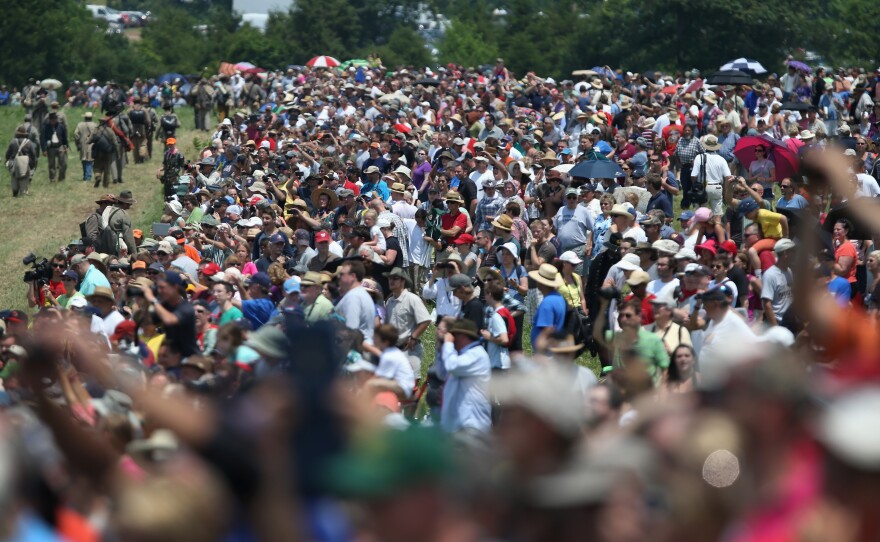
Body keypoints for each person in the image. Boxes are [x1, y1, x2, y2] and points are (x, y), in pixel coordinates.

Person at [434, 318, 492, 434]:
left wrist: (449, 344)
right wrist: (440, 347)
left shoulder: (477, 355)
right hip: (456, 427)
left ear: (462, 336)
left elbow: (452, 366)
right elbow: (441, 374)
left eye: (453, 335)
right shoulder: (458, 355)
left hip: (472, 426)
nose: (451, 338)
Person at [135, 271, 199, 358]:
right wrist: (143, 301)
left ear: (175, 288)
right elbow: (146, 323)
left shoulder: (186, 308)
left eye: (162, 287)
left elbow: (169, 320)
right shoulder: (164, 306)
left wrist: (152, 299)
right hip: (171, 358)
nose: (159, 291)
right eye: (158, 288)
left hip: (188, 358)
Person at [383, 268, 431, 367]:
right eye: (389, 278)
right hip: (394, 350)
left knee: (411, 382)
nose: (391, 281)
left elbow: (426, 320)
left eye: (395, 278)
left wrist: (413, 337)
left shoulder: (412, 299)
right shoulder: (389, 301)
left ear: (403, 281)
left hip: (409, 350)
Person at [529, 263, 567, 355]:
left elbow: (548, 329)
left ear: (541, 282)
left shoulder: (547, 303)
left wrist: (539, 352)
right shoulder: (559, 297)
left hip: (545, 355)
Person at [336, 261, 377, 344]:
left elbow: (350, 330)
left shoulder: (353, 297)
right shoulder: (360, 294)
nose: (338, 277)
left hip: (354, 350)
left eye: (342, 274)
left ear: (352, 276)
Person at [371, 324, 416, 399]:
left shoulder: (388, 356)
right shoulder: (393, 351)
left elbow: (379, 377)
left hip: (403, 387)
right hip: (405, 386)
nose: (373, 339)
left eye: (376, 337)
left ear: (385, 342)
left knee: (371, 384)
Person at [690, 134, 731, 215]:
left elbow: (693, 176)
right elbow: (728, 177)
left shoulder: (699, 157)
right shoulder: (721, 159)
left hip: (703, 187)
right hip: (717, 187)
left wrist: (695, 186)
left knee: (701, 215)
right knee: (717, 215)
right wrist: (725, 191)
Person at [761, 238, 795, 328]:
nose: (795, 254)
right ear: (785, 253)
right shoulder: (770, 275)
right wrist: (776, 328)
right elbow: (767, 304)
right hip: (778, 322)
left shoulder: (789, 271)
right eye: (792, 251)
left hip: (789, 321)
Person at [5, 126, 37, 197]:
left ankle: (15, 191)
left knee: (14, 177)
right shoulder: (29, 143)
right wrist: (33, 165)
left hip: (14, 162)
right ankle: (23, 192)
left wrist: (7, 161)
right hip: (25, 164)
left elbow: (8, 154)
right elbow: (33, 155)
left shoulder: (13, 142)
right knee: (24, 178)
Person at [41, 111, 68, 183]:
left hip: (60, 146)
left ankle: (61, 178)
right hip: (51, 148)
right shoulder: (46, 127)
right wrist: (44, 150)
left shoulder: (60, 126)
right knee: (51, 164)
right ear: (49, 119)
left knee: (63, 164)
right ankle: (52, 179)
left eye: (55, 119)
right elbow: (43, 139)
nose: (54, 120)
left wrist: (66, 145)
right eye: (52, 119)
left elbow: (64, 136)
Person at [73, 111, 97, 182]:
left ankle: (85, 176)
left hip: (83, 144)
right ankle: (88, 177)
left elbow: (76, 134)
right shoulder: (95, 125)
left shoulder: (80, 125)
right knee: (90, 160)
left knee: (84, 160)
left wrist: (78, 143)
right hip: (92, 144)